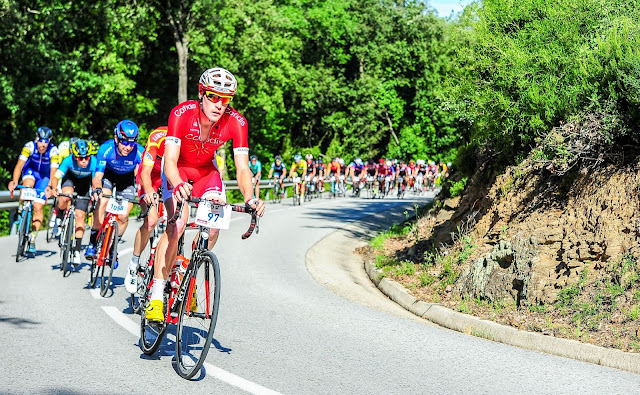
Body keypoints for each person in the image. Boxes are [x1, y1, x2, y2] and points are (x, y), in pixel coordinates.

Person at [145, 67, 265, 322]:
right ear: (201, 94)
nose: (219, 104)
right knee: (177, 224)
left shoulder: (237, 121)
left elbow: (242, 167)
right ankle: (156, 296)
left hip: (207, 174)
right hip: (177, 171)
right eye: (213, 96)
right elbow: (170, 161)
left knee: (212, 228)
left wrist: (250, 196)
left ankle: (186, 272)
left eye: (226, 99)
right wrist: (176, 183)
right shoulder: (182, 113)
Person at [86, 120, 144, 261]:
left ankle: (113, 247)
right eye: (124, 142)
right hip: (108, 176)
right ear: (116, 138)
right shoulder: (106, 149)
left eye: (132, 143)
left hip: (127, 178)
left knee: (124, 216)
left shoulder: (139, 152)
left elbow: (142, 176)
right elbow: (97, 176)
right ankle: (92, 242)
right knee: (103, 200)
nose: (128, 147)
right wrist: (97, 189)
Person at [125, 126, 167, 293]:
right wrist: (149, 190)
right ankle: (134, 264)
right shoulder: (158, 136)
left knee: (177, 223)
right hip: (149, 176)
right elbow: (145, 171)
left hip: (168, 179)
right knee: (151, 221)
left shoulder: (190, 140)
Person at [8, 126, 59, 254]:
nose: (43, 144)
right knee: (28, 183)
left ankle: (32, 237)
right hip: (30, 171)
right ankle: (21, 208)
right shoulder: (29, 146)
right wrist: (14, 181)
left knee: (38, 207)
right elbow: (19, 165)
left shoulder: (54, 151)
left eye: (46, 141)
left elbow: (54, 172)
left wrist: (50, 187)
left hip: (44, 177)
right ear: (36, 139)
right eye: (41, 140)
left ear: (49, 141)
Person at [50, 139, 97, 265]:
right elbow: (56, 177)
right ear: (74, 156)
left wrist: (95, 193)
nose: (83, 161)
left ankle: (76, 250)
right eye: (79, 158)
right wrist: (54, 188)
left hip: (84, 184)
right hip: (70, 179)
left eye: (86, 157)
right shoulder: (68, 160)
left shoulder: (93, 163)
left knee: (80, 216)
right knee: (65, 196)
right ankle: (59, 216)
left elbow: (95, 182)